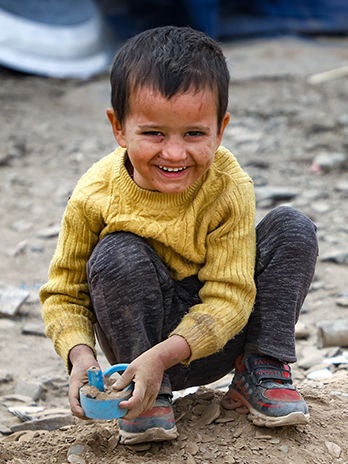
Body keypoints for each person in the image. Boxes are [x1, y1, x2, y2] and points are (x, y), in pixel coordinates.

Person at [40, 25, 318, 446]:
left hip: (222, 336)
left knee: (292, 227)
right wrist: (79, 354)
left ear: (220, 129)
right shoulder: (95, 193)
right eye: (153, 133)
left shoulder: (228, 186)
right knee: (116, 253)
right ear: (119, 128)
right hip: (139, 347)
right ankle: (148, 398)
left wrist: (166, 354)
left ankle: (261, 367)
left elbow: (231, 295)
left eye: (194, 134)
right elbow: (64, 292)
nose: (174, 153)